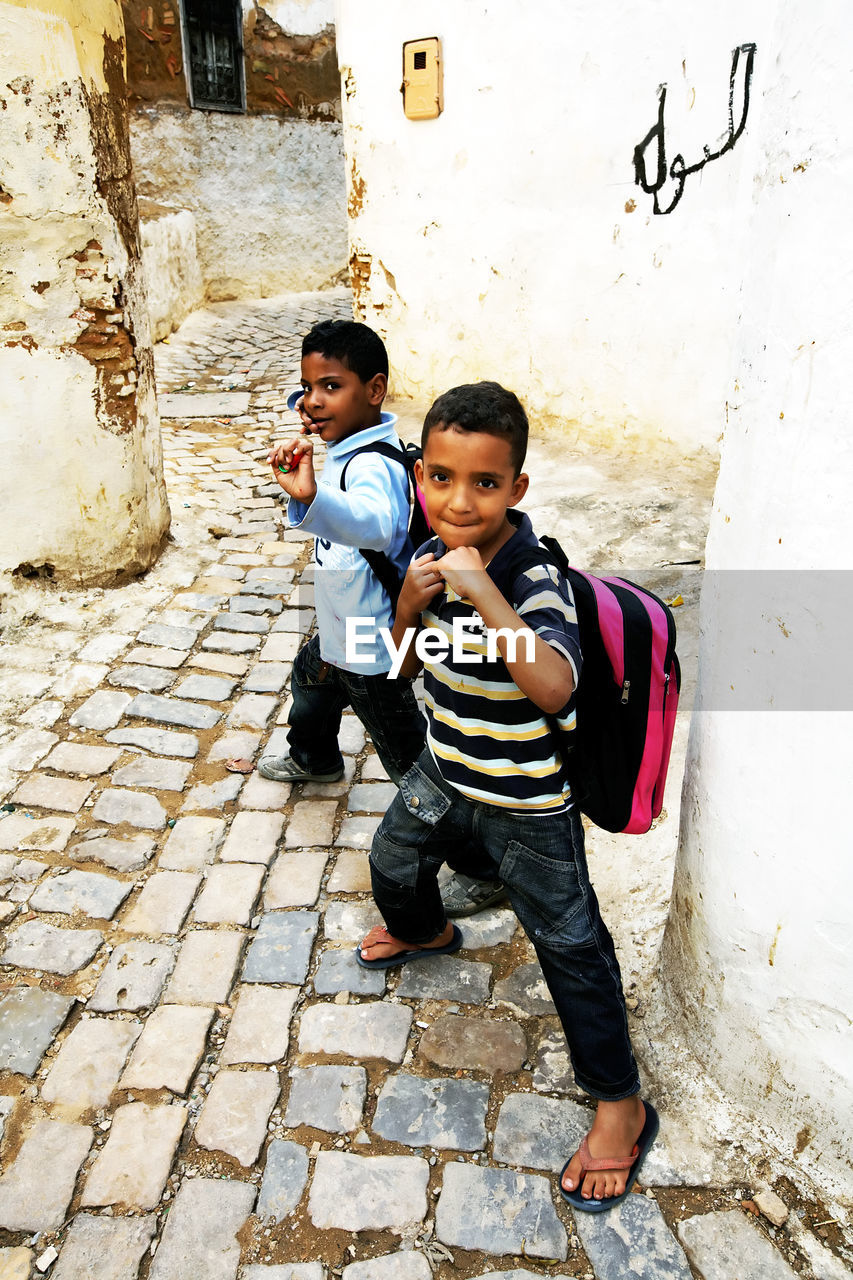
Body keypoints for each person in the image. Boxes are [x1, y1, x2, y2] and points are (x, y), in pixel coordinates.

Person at [355, 381, 658, 1212]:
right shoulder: (424, 554)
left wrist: (482, 589)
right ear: (422, 476)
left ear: (515, 488)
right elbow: (402, 668)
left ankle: (620, 1105)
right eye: (441, 478)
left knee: (569, 947)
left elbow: (556, 687)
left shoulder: (533, 578)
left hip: (527, 805)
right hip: (446, 770)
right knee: (391, 859)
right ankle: (426, 930)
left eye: (483, 484)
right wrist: (411, 608)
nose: (459, 501)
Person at [258, 318, 426, 787]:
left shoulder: (373, 462)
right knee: (309, 680)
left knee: (402, 746)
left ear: (375, 390)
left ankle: (460, 836)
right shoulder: (351, 446)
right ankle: (314, 758)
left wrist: (314, 498)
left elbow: (376, 524)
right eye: (306, 388)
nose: (312, 400)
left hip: (369, 644)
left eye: (331, 386)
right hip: (341, 629)